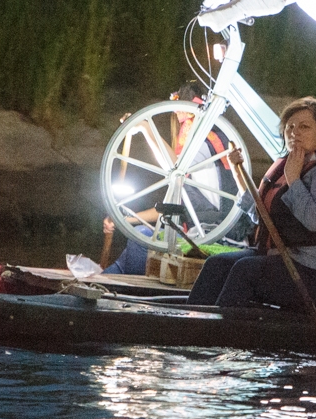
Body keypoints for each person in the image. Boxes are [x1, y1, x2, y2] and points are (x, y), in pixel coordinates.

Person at [187, 97, 316, 310]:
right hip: (282, 259)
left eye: (304, 127)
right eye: (290, 127)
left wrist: (294, 179)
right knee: (217, 264)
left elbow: (313, 220)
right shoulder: (285, 166)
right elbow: (262, 216)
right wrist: (240, 176)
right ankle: (189, 320)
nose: (295, 132)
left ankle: (223, 331)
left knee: (245, 271)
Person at [100, 84, 245, 276]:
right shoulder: (207, 146)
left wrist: (145, 127)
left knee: (143, 238)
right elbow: (170, 209)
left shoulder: (202, 138)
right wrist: (124, 220)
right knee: (140, 239)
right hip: (203, 231)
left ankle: (123, 287)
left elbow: (174, 167)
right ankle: (105, 279)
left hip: (220, 238)